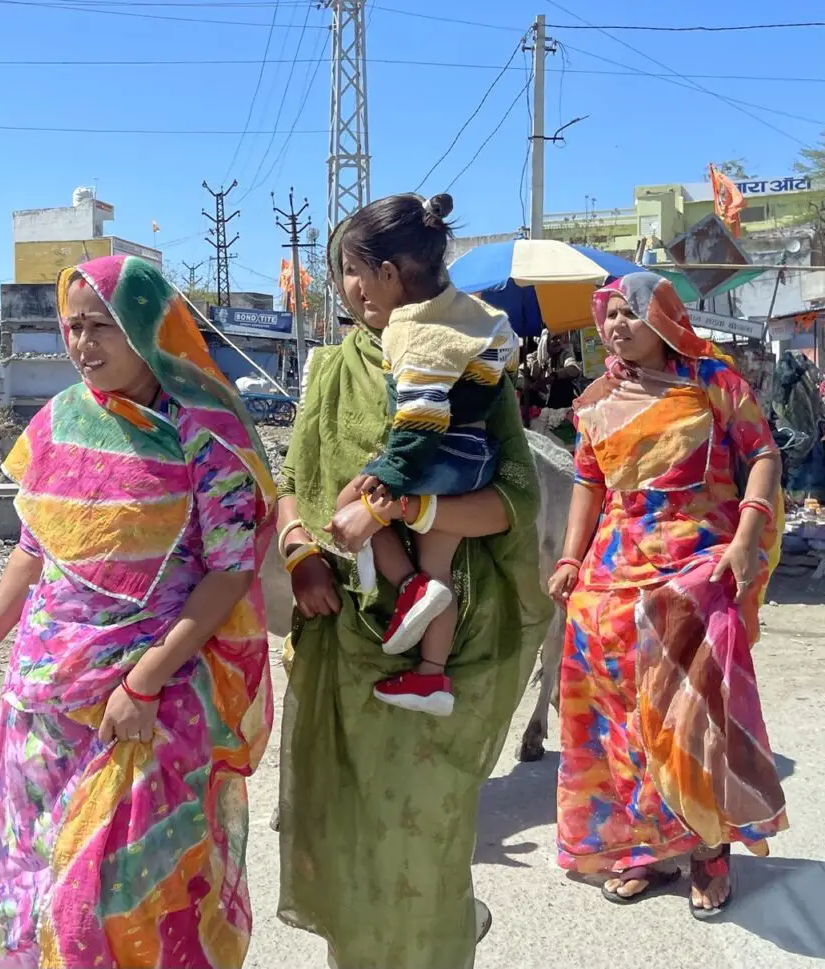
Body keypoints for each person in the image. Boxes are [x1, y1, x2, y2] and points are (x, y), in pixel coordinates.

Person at [0, 254, 276, 969]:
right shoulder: (60, 425)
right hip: (43, 703)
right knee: (27, 893)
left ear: (146, 328)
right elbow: (33, 555)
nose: (82, 345)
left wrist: (145, 680)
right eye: (72, 327)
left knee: (113, 905)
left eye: (101, 327)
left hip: (151, 703)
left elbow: (229, 572)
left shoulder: (204, 436)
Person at [276, 214, 553, 969]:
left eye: (359, 269)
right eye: (343, 273)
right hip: (346, 645)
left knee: (423, 842)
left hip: (445, 654)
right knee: (350, 837)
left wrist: (406, 507)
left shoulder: (464, 360)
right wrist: (299, 551)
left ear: (399, 268)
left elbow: (516, 499)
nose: (352, 288)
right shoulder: (332, 370)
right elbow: (296, 484)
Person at [548, 271, 788, 918]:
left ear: (663, 316)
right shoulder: (599, 398)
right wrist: (572, 556)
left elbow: (762, 454)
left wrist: (746, 535)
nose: (616, 325)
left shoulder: (714, 382)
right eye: (608, 315)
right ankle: (642, 846)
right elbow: (588, 483)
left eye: (630, 312)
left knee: (695, 717)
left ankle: (710, 849)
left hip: (697, 558)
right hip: (611, 571)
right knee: (616, 717)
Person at [326, 192, 519, 717]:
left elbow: (420, 418)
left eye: (353, 270)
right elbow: (505, 348)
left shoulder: (411, 333)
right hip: (474, 451)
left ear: (387, 273)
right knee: (440, 571)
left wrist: (382, 492)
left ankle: (403, 585)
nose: (351, 286)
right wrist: (478, 383)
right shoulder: (472, 310)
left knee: (353, 500)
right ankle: (431, 677)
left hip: (438, 455)